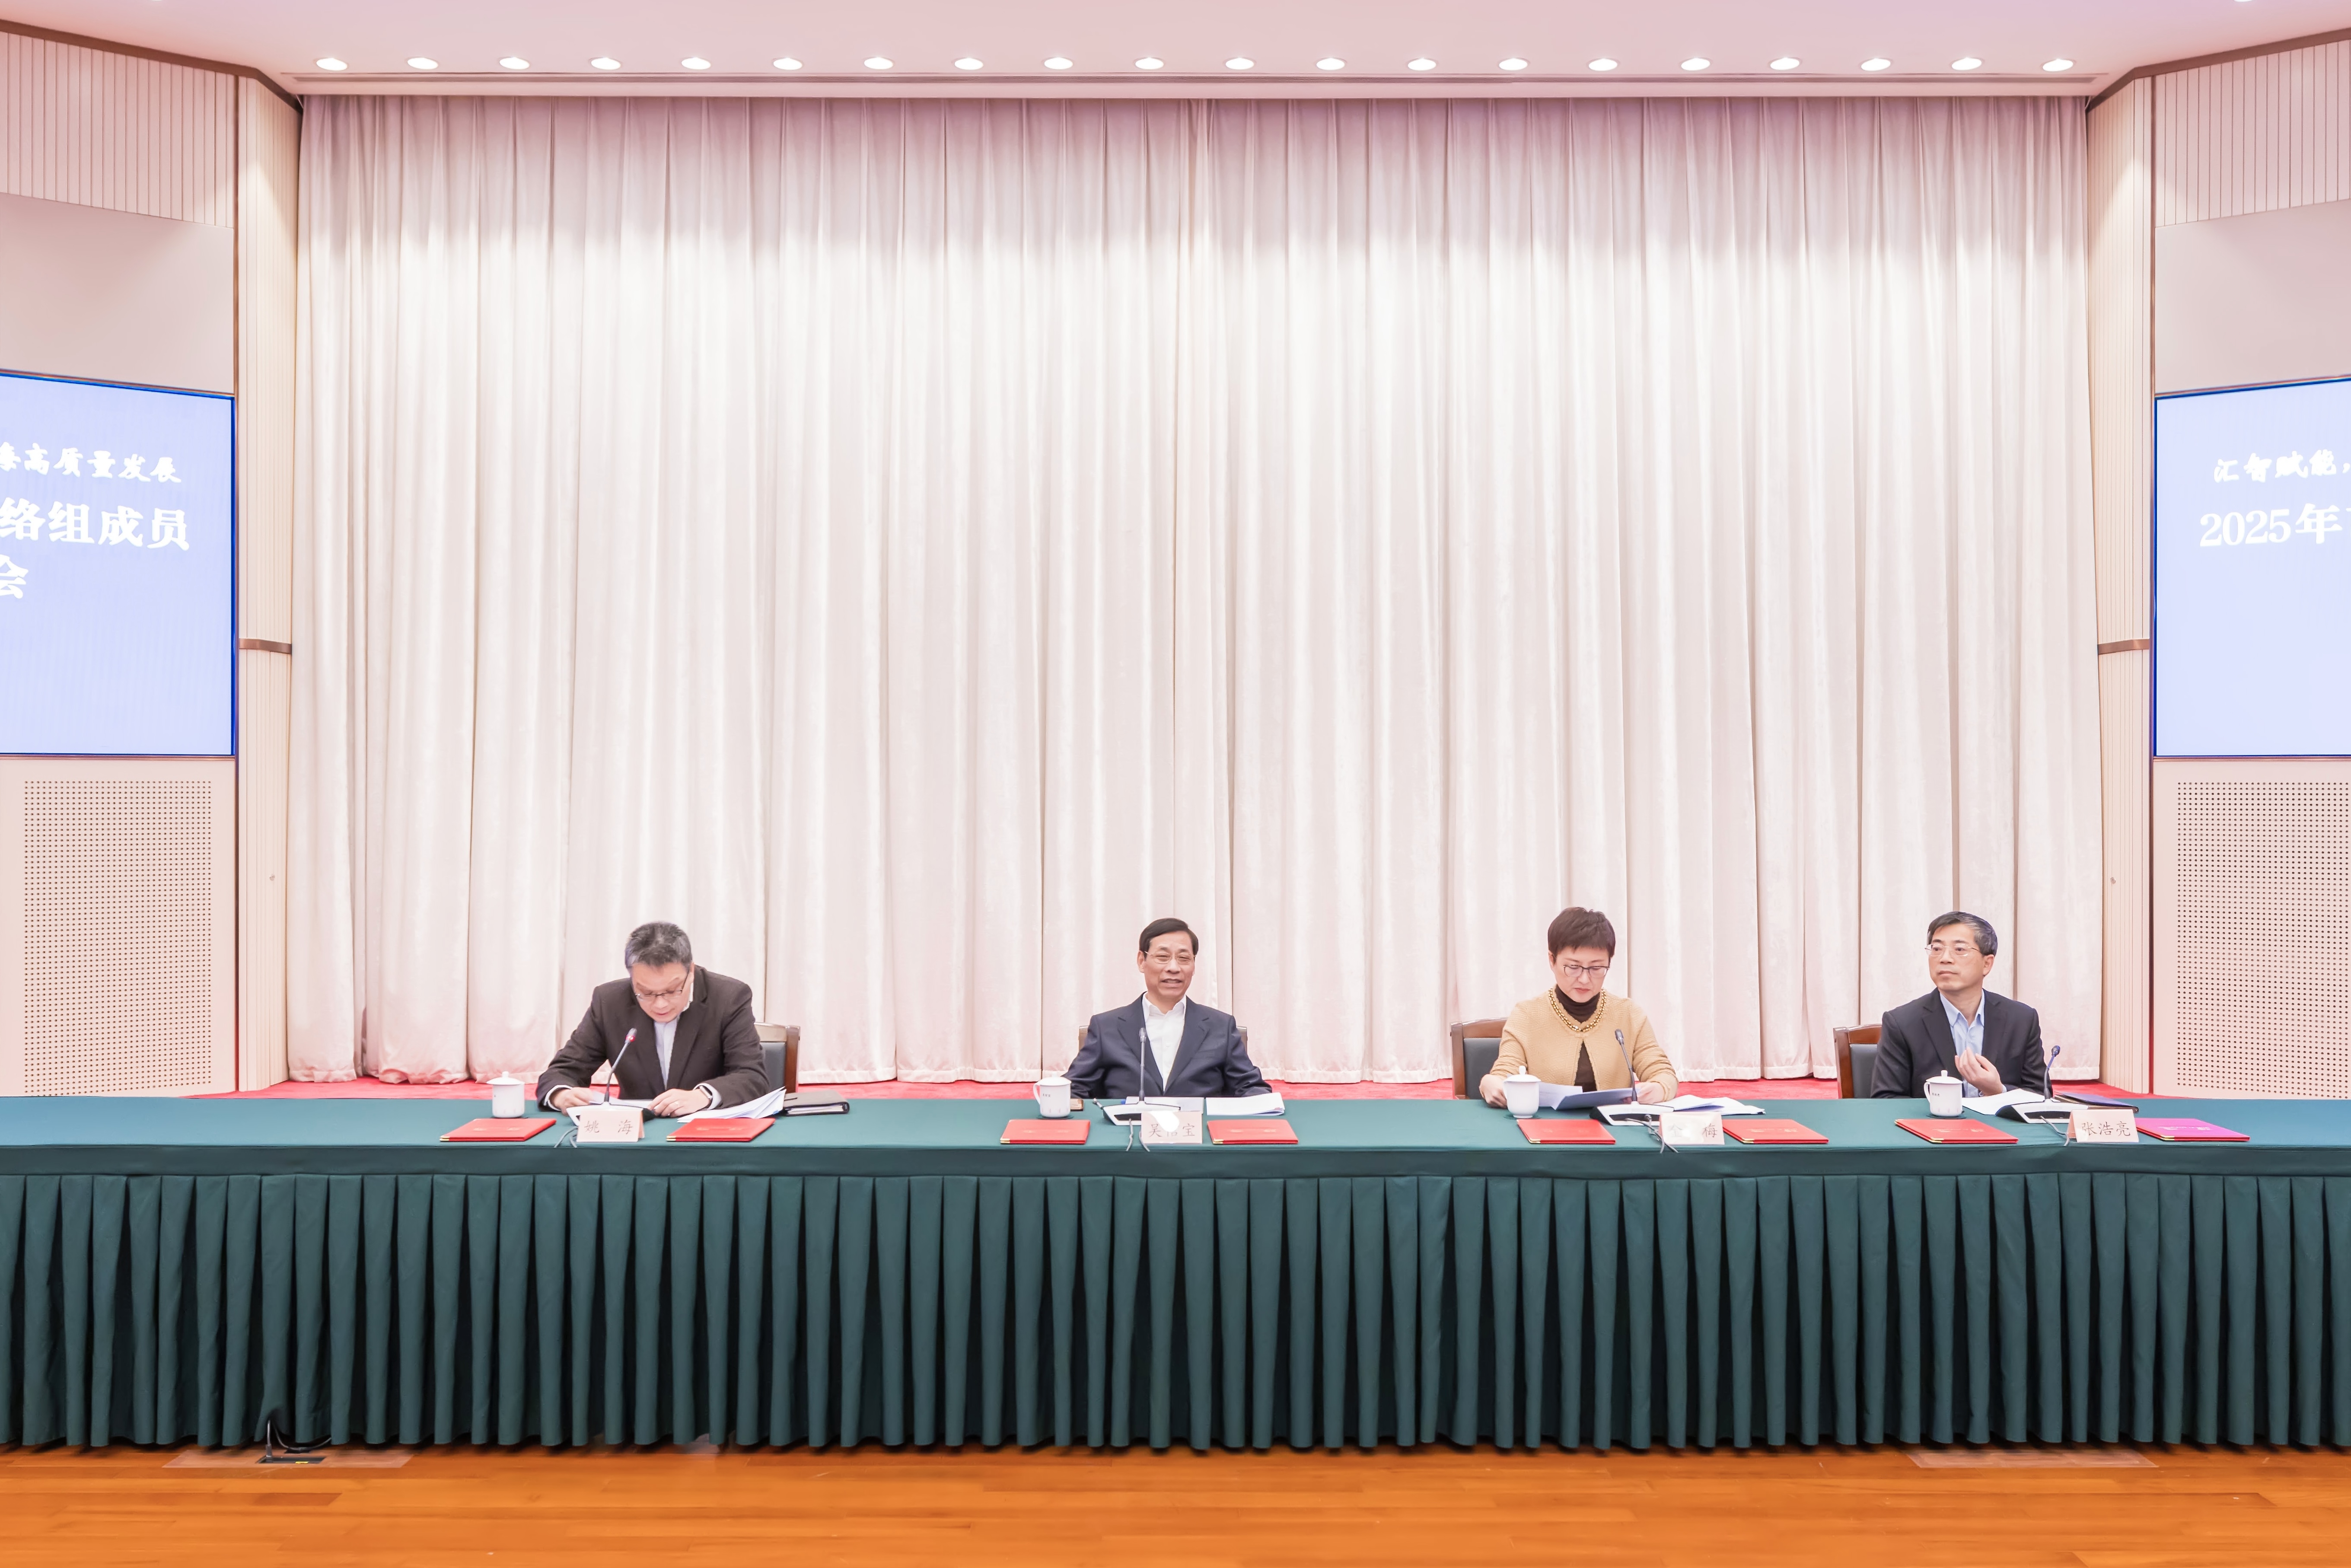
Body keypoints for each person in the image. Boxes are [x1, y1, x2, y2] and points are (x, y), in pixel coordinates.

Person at [538, 921, 769, 1114]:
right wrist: (562, 1095)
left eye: (672, 990)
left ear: (691, 971)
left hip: (707, 1135)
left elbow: (751, 1076)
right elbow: (562, 1072)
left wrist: (703, 1096)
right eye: (646, 993)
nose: (660, 1004)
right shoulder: (610, 1002)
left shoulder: (728, 997)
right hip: (636, 1135)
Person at [1481, 906, 1676, 1107]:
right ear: (1552, 960)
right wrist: (1492, 1082)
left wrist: (1660, 1088)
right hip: (1545, 1123)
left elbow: (1662, 1072)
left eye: (1596, 968)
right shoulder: (1527, 1015)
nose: (1584, 979)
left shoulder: (1629, 1014)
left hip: (1612, 1124)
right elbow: (1506, 1072)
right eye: (1573, 967)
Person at [1066, 918, 1269, 1099]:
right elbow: (1074, 1090)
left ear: (1194, 965)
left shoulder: (1220, 1026)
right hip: (1129, 1129)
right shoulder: (1106, 1027)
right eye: (1163, 957)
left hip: (1198, 1129)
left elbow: (1251, 1087)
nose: (1174, 968)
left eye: (1184, 958)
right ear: (1142, 961)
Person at [1870, 911, 2048, 1098]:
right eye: (1937, 949)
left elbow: (2041, 1095)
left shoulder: (2021, 1020)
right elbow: (1886, 1099)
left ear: (1987, 964)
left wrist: (1998, 1091)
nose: (1944, 958)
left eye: (1960, 950)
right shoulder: (1902, 1023)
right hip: (1931, 1119)